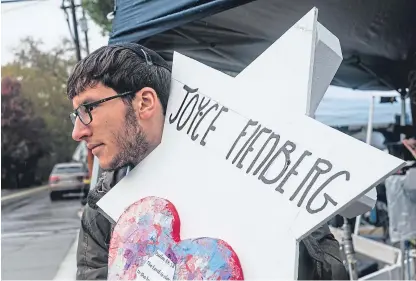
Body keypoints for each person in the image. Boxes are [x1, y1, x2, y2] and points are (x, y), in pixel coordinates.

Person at [67, 43, 348, 280]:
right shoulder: (105, 202)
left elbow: (332, 271)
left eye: (89, 108)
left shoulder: (249, 166)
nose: (78, 131)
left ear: (144, 102)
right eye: (76, 115)